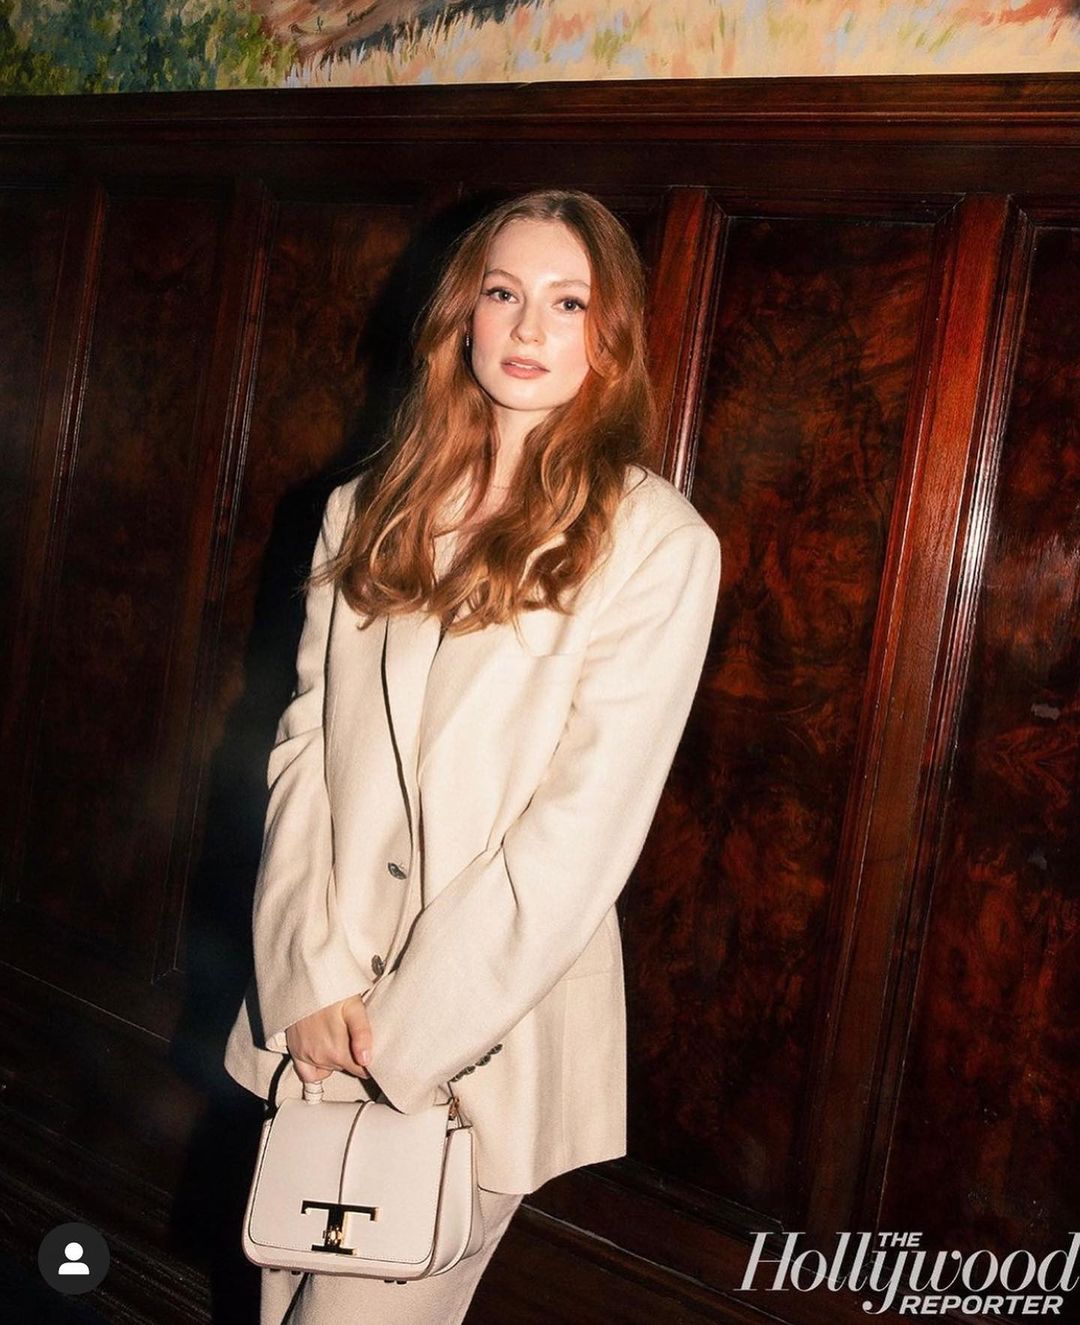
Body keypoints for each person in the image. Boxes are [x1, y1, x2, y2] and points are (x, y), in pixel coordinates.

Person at [224, 187, 723, 1324]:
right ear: (464, 315)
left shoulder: (656, 544)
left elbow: (579, 837)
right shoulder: (368, 506)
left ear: (610, 336)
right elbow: (304, 743)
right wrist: (311, 974)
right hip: (316, 1017)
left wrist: (399, 1036)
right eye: (504, 293)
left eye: (568, 302)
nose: (529, 327)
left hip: (470, 1044)